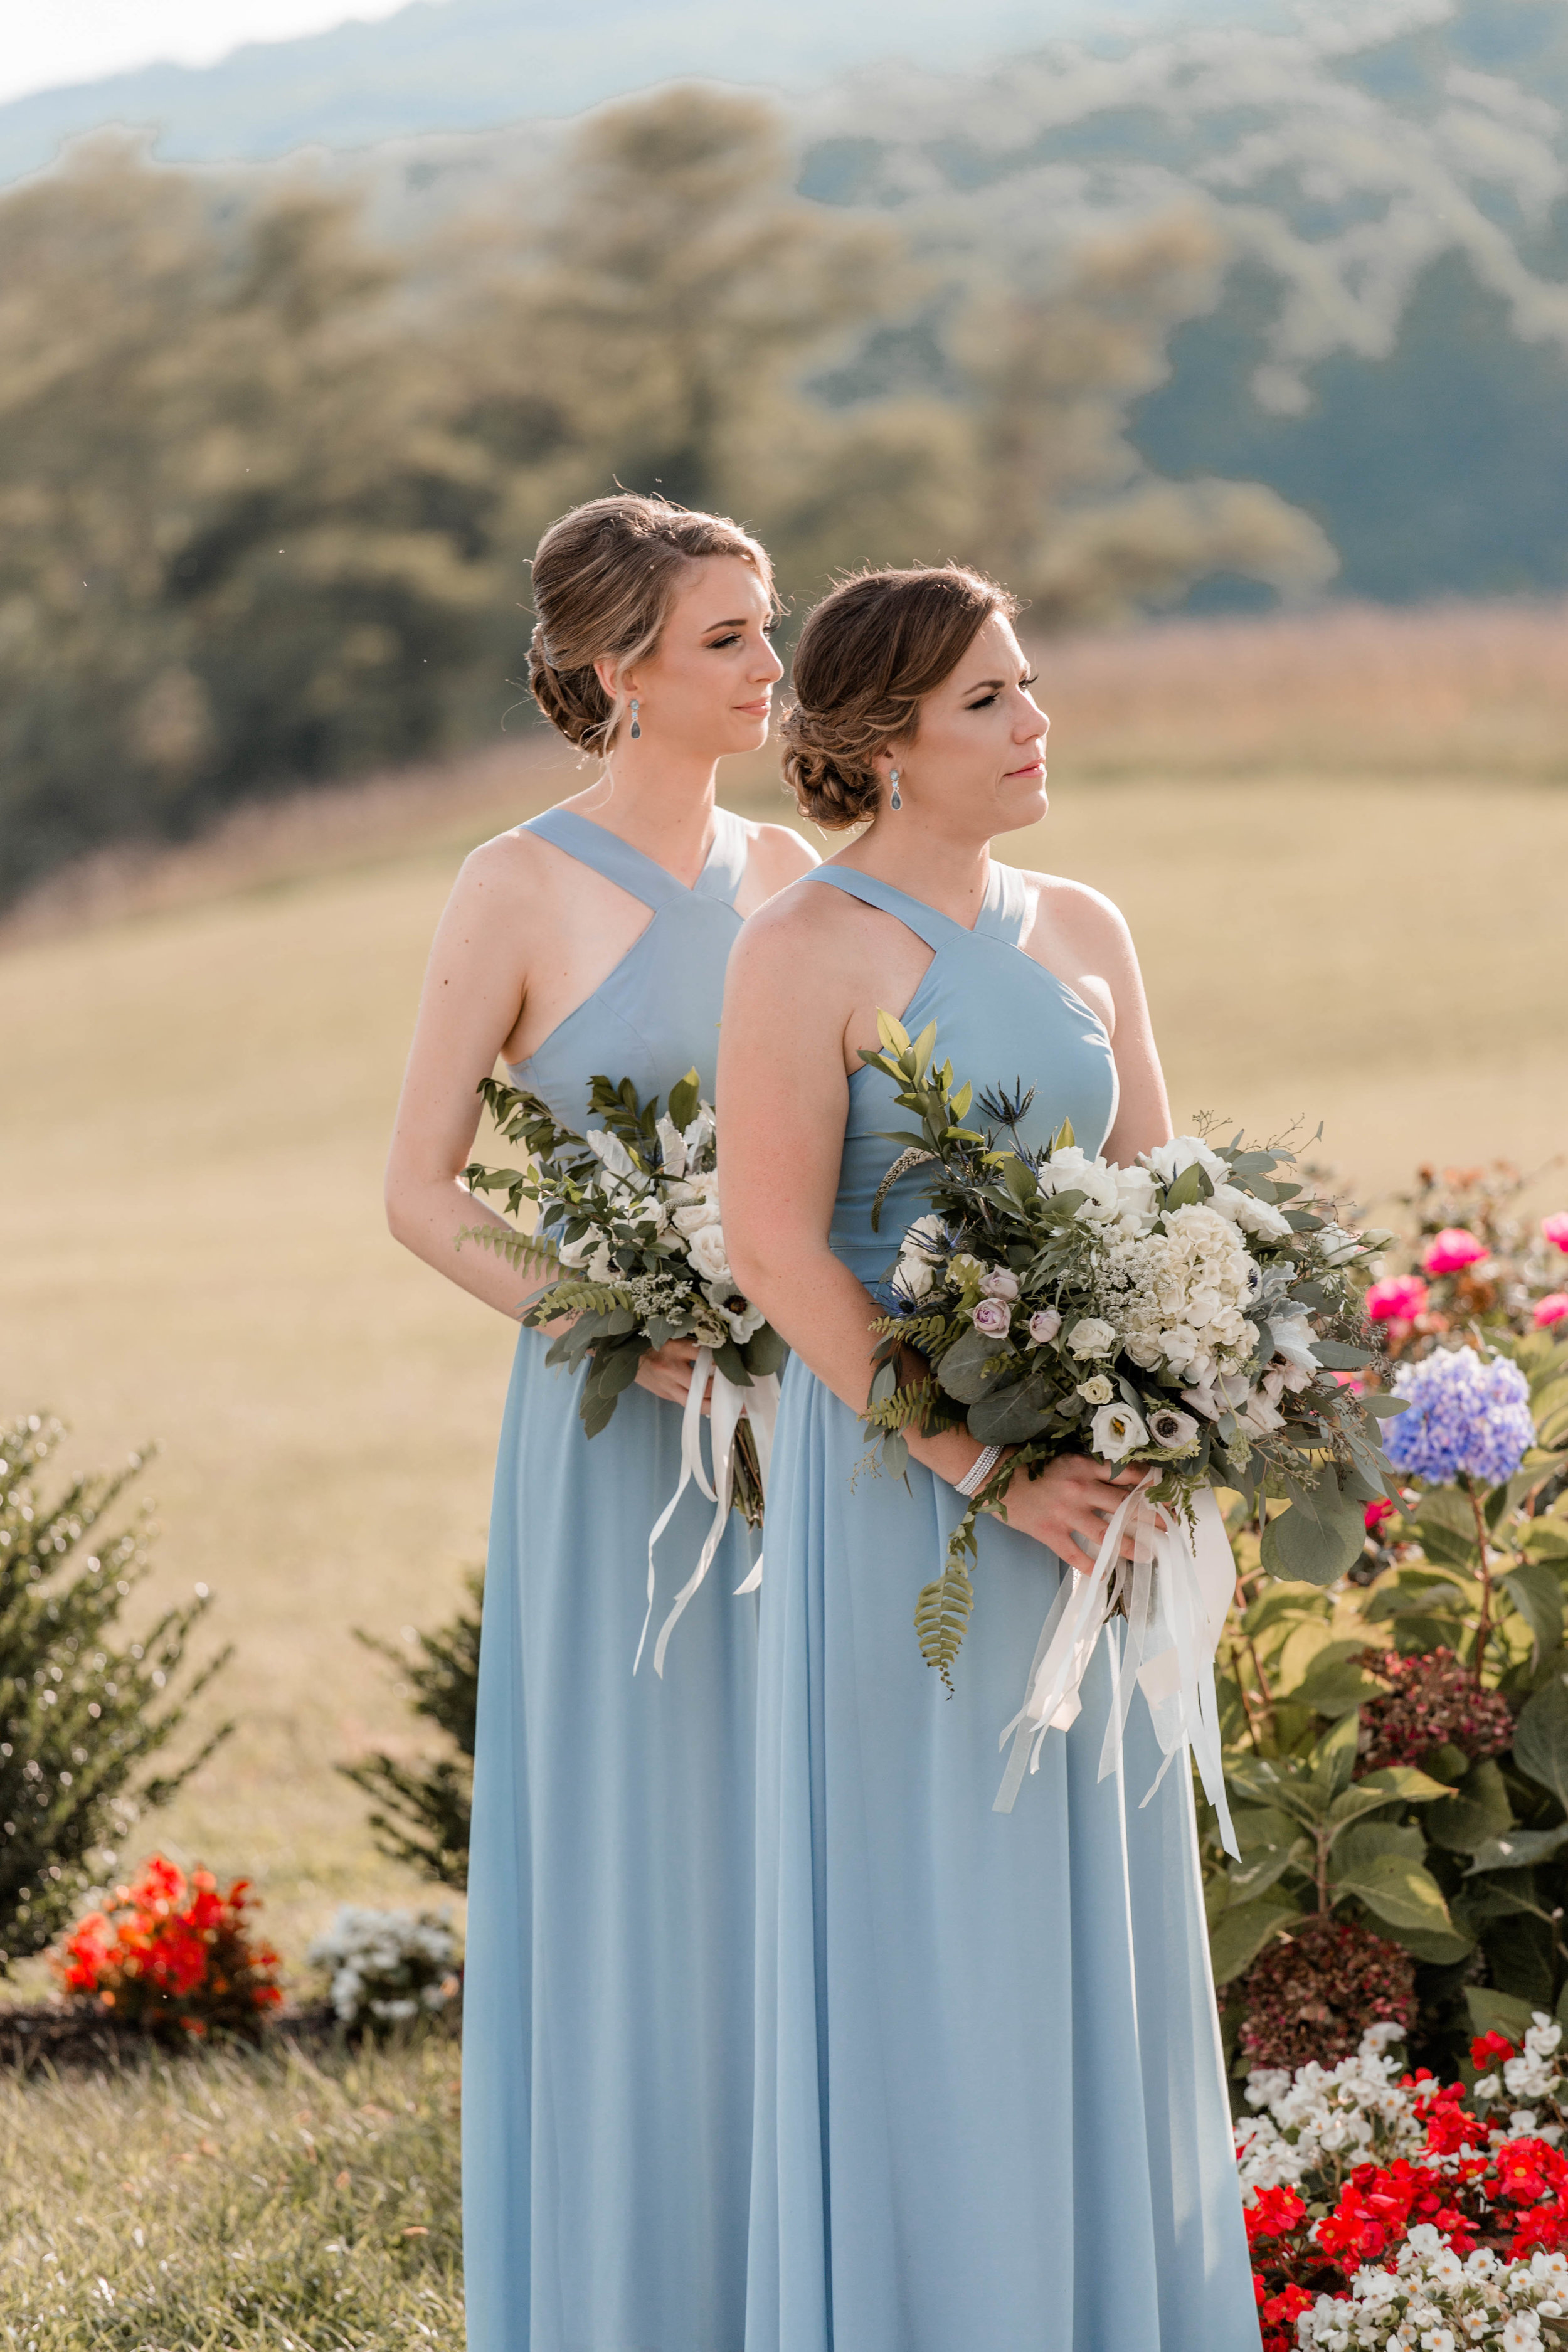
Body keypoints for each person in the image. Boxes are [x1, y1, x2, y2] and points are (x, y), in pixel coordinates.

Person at [718, 566, 1257, 2351]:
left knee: (1082, 1916)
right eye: (986, 703)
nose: (1035, 724)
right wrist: (979, 1465)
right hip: (909, 1505)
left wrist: (1175, 1403)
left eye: (1027, 688)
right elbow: (780, 1249)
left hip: (1095, 1502)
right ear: (881, 744)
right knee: (933, 1921)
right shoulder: (802, 949)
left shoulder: (1087, 927)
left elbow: (1163, 1191)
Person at [385, 492, 815, 2352]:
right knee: (643, 1856)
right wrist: (616, 1319)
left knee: (795, 1836)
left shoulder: (798, 877)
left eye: (767, 626)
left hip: (810, 1427)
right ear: (611, 670)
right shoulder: (512, 885)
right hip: (616, 1434)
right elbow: (420, 1191)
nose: (769, 667)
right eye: (726, 638)